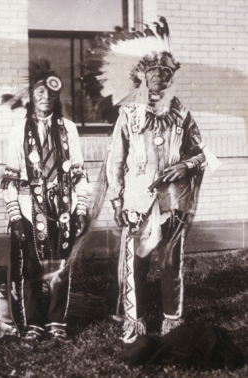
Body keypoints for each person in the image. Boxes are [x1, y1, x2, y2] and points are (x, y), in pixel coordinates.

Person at [91, 19, 207, 343]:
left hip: (173, 200)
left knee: (171, 262)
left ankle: (173, 322)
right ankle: (136, 322)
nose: (159, 77)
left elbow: (202, 152)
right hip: (138, 201)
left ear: (172, 77)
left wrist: (186, 165)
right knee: (137, 263)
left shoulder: (182, 114)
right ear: (143, 75)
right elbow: (115, 161)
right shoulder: (128, 114)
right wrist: (116, 200)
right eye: (153, 71)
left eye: (165, 73)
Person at [1, 58, 90, 342]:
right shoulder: (19, 131)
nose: (45, 98)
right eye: (40, 93)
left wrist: (82, 207)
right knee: (31, 267)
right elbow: (12, 176)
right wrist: (15, 215)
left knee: (60, 266)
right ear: (31, 97)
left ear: (57, 97)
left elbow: (78, 171)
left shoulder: (68, 129)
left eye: (51, 94)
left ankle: (56, 323)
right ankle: (33, 324)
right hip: (30, 207)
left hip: (63, 206)